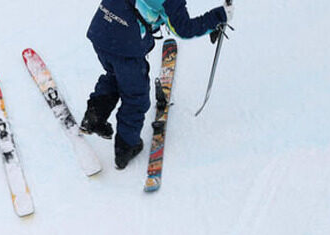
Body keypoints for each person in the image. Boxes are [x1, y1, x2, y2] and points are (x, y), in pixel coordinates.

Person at [80, 0, 232, 169]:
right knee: (136, 97)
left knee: (116, 75)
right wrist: (219, 16)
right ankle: (126, 147)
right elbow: (183, 29)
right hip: (124, 43)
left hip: (102, 29)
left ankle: (94, 116)